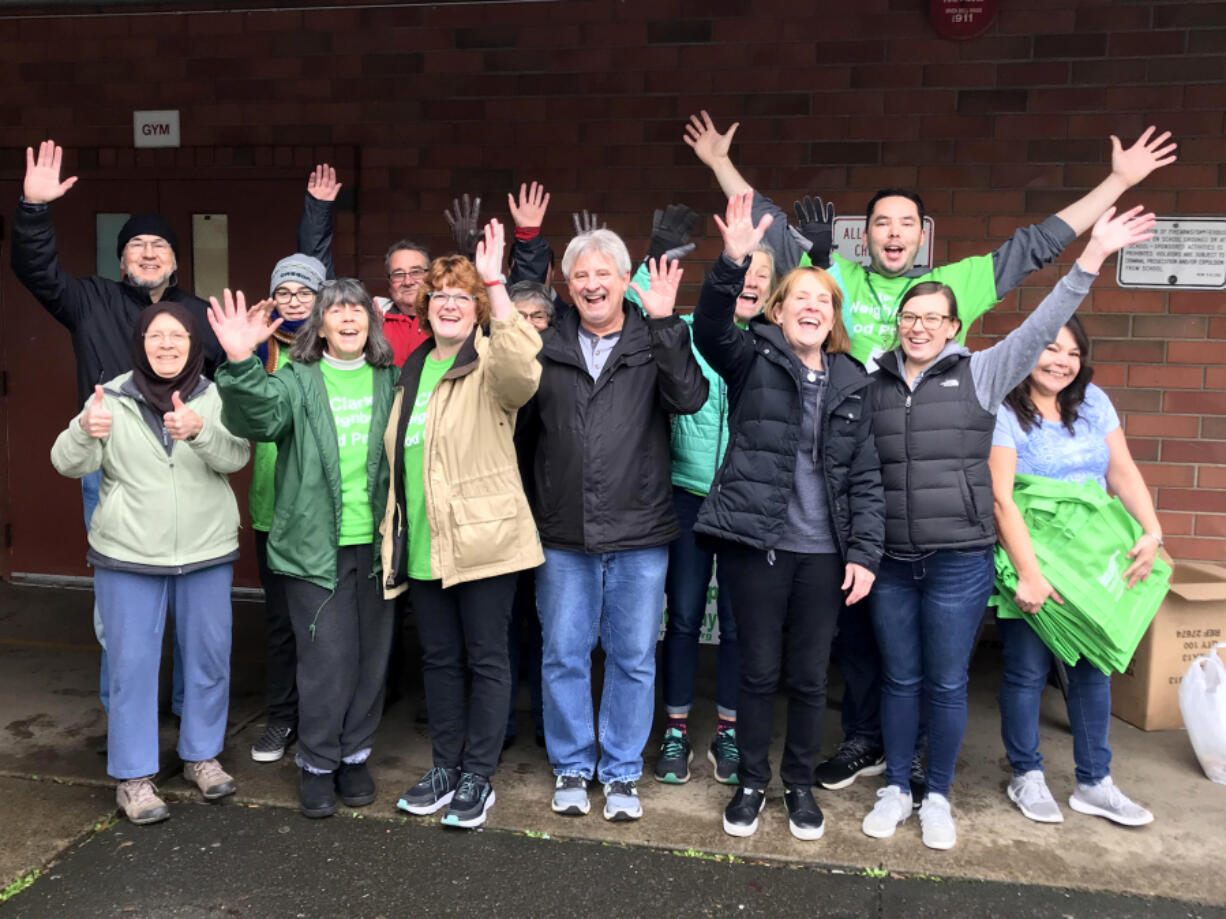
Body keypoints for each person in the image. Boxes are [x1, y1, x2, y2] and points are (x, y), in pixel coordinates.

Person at [685, 111, 1178, 790]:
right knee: (856, 633)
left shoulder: (954, 287)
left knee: (917, 653)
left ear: (923, 236)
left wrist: (1116, 181)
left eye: (905, 223)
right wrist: (718, 163)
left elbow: (1039, 244)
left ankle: (916, 757)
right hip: (847, 488)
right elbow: (761, 217)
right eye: (880, 222)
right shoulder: (836, 282)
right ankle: (865, 741)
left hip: (932, 497)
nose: (893, 233)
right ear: (865, 234)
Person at [858, 206, 1156, 851]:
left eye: (934, 318)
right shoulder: (870, 384)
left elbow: (1045, 322)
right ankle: (895, 789)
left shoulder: (983, 373)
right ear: (897, 322)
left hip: (959, 560)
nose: (920, 327)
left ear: (953, 328)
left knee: (945, 681)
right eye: (910, 316)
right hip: (890, 559)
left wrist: (1092, 256)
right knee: (899, 678)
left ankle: (936, 793)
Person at [691, 193, 884, 839]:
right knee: (756, 670)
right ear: (777, 310)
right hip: (758, 545)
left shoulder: (853, 381)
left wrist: (863, 553)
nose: (810, 306)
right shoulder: (751, 360)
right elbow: (709, 327)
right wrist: (731, 261)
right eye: (798, 297)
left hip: (823, 552)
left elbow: (866, 478)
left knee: (807, 676)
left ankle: (798, 785)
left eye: (822, 300)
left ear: (833, 317)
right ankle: (750, 780)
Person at [14, 140, 225, 722]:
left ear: (177, 260)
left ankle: (188, 713)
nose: (149, 252)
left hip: (188, 472)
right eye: (137, 244)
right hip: (114, 473)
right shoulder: (90, 299)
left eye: (160, 245)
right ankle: (125, 714)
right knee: (121, 605)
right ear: (121, 258)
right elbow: (35, 269)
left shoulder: (200, 314)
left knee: (191, 604)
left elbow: (240, 385)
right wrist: (34, 209)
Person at [523, 229, 707, 822]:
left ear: (626, 281)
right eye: (580, 276)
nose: (592, 284)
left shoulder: (652, 338)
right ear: (568, 286)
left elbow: (690, 399)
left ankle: (623, 771)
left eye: (604, 274)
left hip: (639, 532)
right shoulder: (546, 345)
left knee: (632, 657)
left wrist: (665, 326)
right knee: (564, 654)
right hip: (563, 532)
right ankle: (574, 764)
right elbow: (524, 432)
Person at [50, 304, 248, 825]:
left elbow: (236, 457)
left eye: (177, 336)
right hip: (128, 553)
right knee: (132, 666)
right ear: (140, 343)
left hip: (206, 550)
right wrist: (84, 432)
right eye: (155, 336)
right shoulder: (108, 397)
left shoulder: (215, 393)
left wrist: (199, 430)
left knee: (208, 657)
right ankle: (134, 777)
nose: (166, 345)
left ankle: (200, 756)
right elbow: (66, 463)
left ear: (192, 343)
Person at [209, 279, 399, 820]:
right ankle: (318, 762)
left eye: (356, 309)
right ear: (319, 324)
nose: (346, 317)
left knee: (370, 659)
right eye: (334, 309)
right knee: (325, 661)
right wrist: (242, 361)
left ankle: (355, 754)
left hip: (380, 544)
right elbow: (257, 420)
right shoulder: (295, 377)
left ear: (370, 321)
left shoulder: (390, 378)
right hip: (315, 547)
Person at [382, 220, 543, 828]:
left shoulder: (491, 365)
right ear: (425, 309)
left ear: (476, 310)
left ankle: (479, 774)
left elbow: (525, 371)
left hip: (485, 541)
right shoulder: (414, 367)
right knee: (440, 662)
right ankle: (445, 766)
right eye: (438, 297)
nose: (448, 305)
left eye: (461, 297)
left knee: (487, 659)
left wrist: (496, 281)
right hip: (423, 541)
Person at [990, 316, 1158, 827]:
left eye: (1071, 352)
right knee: (1025, 669)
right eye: (1049, 349)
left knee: (1093, 669)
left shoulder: (1094, 402)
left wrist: (1151, 531)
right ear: (1026, 352)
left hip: (1090, 555)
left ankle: (1094, 783)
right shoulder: (1003, 408)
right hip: (1030, 554)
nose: (1061, 361)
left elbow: (1122, 470)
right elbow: (999, 497)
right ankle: (1026, 774)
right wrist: (1028, 572)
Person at [654, 240, 777, 787]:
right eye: (744, 270)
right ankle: (676, 729)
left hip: (745, 501)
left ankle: (728, 728)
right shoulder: (686, 328)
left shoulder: (776, 343)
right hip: (686, 490)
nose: (751, 280)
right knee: (681, 617)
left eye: (764, 274)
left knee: (736, 623)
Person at [247, 254, 327, 764]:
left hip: (325, 507)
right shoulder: (259, 348)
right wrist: (249, 344)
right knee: (280, 623)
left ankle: (326, 720)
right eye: (285, 292)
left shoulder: (339, 342)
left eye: (304, 292)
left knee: (324, 624)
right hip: (273, 505)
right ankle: (282, 717)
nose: (294, 301)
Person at [297, 164, 431, 363]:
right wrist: (318, 210)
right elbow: (318, 272)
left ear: (431, 275)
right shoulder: (369, 314)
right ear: (389, 281)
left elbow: (478, 304)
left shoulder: (446, 315)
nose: (408, 280)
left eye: (416, 272)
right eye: (398, 274)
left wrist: (470, 257)